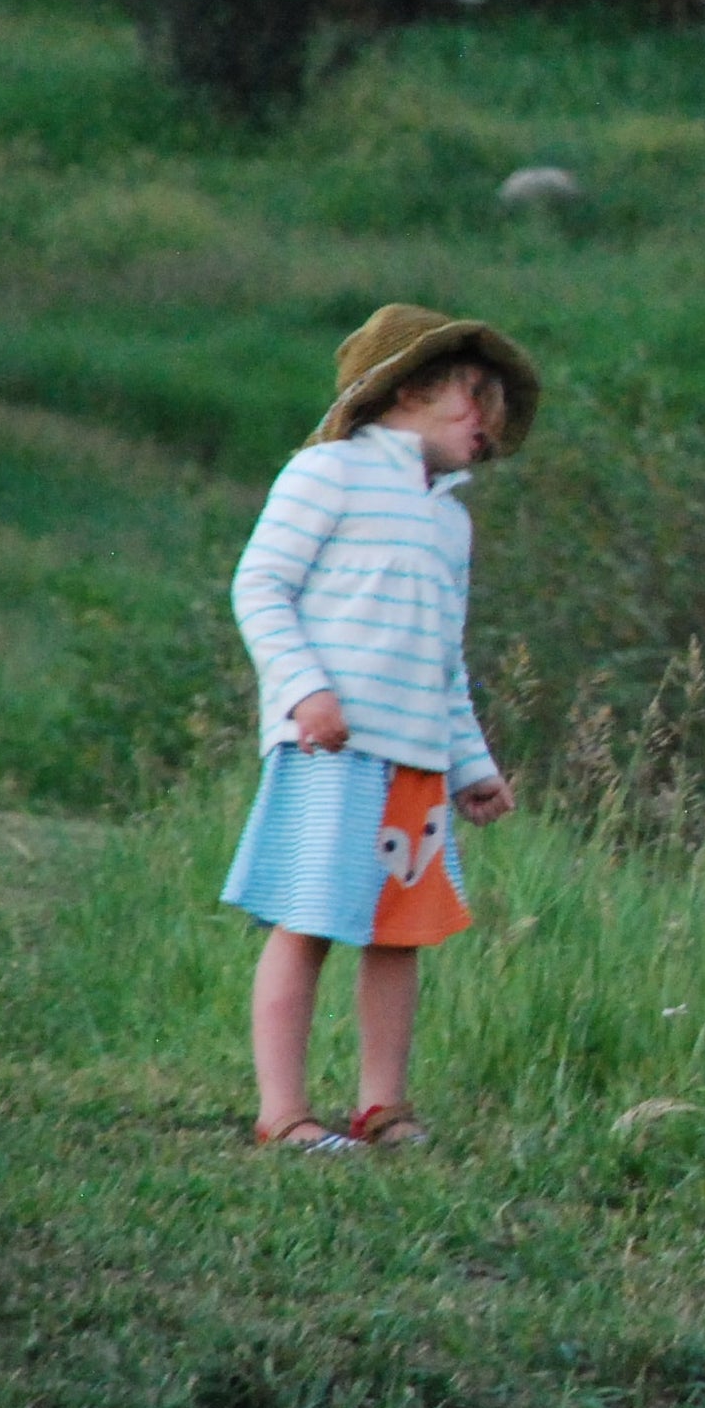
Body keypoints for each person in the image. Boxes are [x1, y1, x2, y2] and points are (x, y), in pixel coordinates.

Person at [222, 304, 541, 1154]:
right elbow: (260, 589)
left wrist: (470, 762)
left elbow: (445, 659)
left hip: (415, 764)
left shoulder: (450, 519)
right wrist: (304, 691)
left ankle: (382, 1106)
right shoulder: (327, 473)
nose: (491, 428)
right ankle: (282, 1112)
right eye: (477, 403)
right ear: (410, 389)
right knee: (310, 920)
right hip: (332, 747)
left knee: (401, 933)